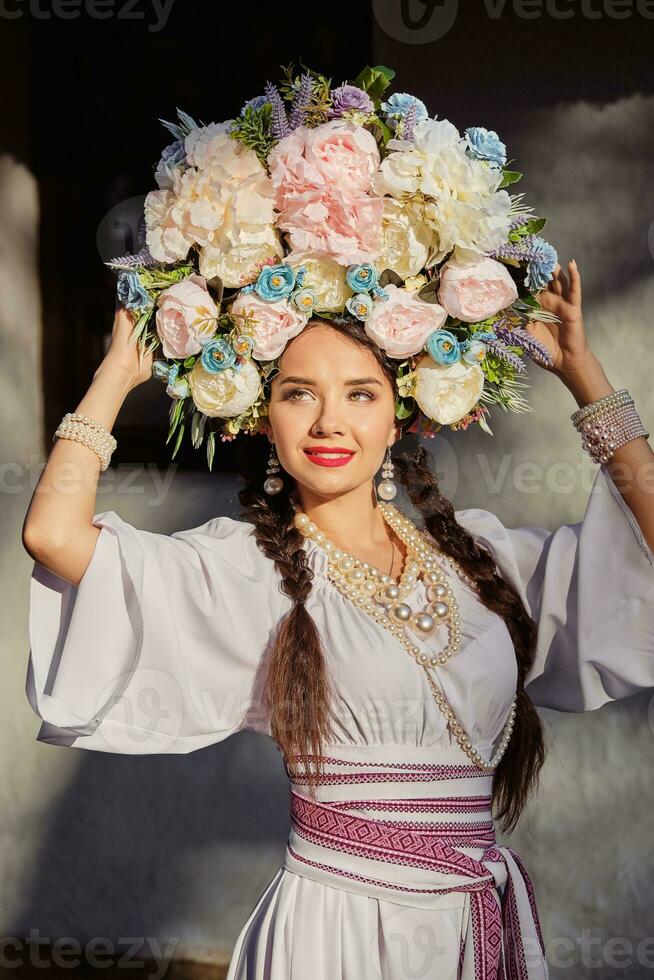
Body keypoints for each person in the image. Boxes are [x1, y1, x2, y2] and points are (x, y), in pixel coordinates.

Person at [21, 258, 654, 979]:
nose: (329, 421)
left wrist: (583, 373)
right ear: (265, 416)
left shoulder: (480, 559)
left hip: (473, 928)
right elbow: (54, 536)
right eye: (299, 395)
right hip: (339, 930)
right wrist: (112, 380)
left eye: (360, 394)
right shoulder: (248, 568)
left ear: (398, 416)